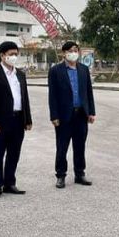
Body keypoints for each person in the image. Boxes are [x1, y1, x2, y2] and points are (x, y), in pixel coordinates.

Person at [0, 41, 32, 199]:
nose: (14, 57)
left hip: (18, 119)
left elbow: (25, 98)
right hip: (1, 122)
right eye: (11, 54)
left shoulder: (20, 74)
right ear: (2, 55)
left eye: (16, 54)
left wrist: (28, 119)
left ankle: (10, 183)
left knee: (14, 153)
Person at [48, 41, 96, 189]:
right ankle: (61, 175)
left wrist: (91, 112)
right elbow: (53, 95)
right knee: (62, 147)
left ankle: (80, 174)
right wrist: (54, 116)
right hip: (63, 116)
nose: (73, 53)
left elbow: (88, 92)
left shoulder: (83, 69)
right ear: (64, 53)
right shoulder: (56, 71)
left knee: (80, 146)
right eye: (70, 50)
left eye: (75, 50)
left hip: (81, 114)